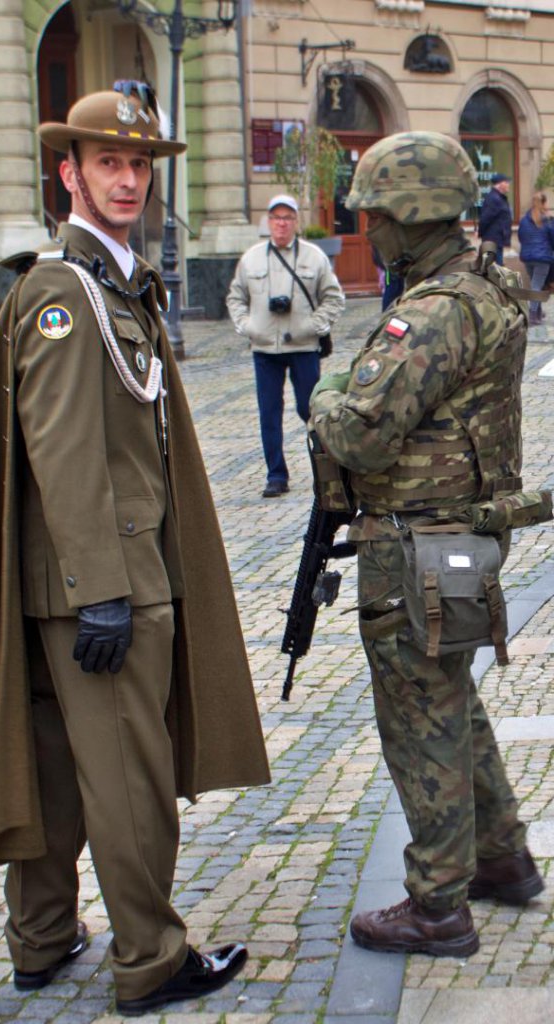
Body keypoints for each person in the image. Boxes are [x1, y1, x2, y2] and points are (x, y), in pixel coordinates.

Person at [0, 82, 270, 1016]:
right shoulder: (69, 294)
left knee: (53, 774)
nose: (125, 180)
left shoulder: (104, 281)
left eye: (137, 165)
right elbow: (67, 451)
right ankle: (151, 957)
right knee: (129, 782)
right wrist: (106, 591)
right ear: (67, 172)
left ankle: (42, 941)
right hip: (105, 585)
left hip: (71, 582)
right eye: (106, 163)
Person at [309, 131, 544, 958]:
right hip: (458, 540)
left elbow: (361, 438)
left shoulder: (435, 310)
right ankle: (504, 859)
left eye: (375, 216)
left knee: (420, 721)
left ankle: (438, 904)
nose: (367, 231)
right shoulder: (487, 287)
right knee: (453, 703)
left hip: (415, 546)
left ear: (409, 218)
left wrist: (329, 387)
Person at [226, 194, 345, 498]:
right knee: (269, 413)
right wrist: (247, 325)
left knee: (311, 409)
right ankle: (276, 475)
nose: (281, 223)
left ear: (295, 222)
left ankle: (326, 471)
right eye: (276, 218)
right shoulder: (251, 258)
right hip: (265, 348)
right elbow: (235, 297)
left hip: (303, 347)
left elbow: (334, 298)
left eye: (287, 218)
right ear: (268, 222)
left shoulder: (314, 257)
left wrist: (315, 325)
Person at [518, 191, 554, 325]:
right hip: (543, 257)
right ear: (544, 203)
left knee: (536, 284)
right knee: (536, 285)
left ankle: (537, 312)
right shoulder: (549, 220)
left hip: (527, 256)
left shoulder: (524, 219)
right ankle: (532, 314)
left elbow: (521, 237)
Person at [478, 171, 512, 265]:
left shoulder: (499, 198)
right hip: (493, 242)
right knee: (495, 270)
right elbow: (485, 218)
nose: (508, 185)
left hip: (497, 240)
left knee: (496, 270)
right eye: (506, 182)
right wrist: (480, 232)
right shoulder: (494, 199)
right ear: (500, 184)